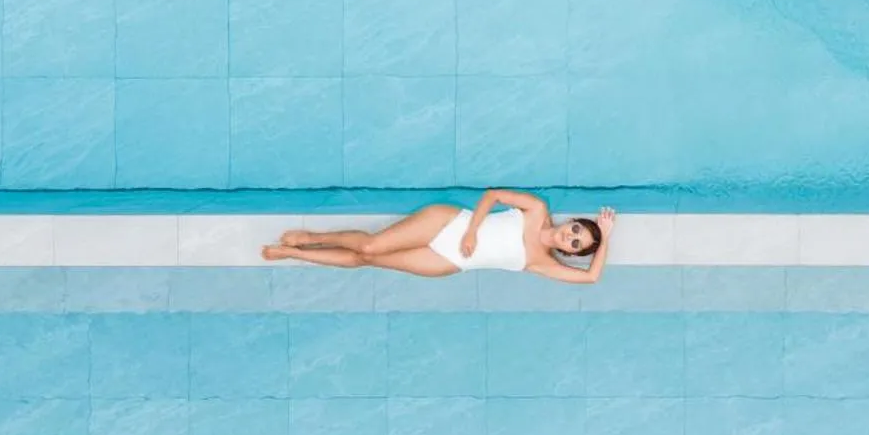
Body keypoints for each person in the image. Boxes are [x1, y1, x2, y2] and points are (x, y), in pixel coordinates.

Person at [262, 189, 614, 282]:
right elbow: (493, 195)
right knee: (371, 244)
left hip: (448, 261)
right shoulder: (537, 210)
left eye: (575, 244)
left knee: (367, 259)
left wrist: (606, 237)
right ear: (573, 222)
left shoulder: (541, 263)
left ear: (570, 252)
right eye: (577, 230)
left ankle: (294, 254)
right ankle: (311, 237)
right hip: (449, 224)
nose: (571, 237)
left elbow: (592, 277)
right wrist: (473, 231)